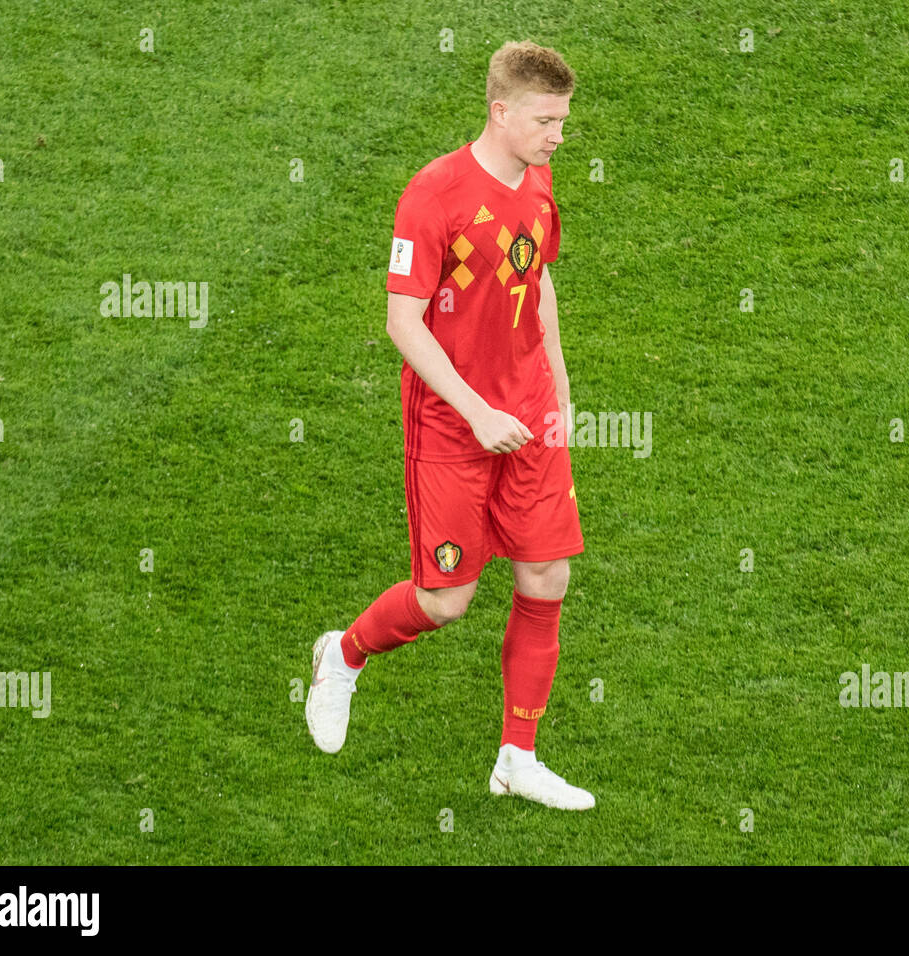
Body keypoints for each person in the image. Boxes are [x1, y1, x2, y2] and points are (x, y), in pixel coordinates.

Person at [306, 40, 593, 811]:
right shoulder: (433, 195)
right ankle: (343, 654)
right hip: (454, 424)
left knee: (548, 575)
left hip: (528, 415)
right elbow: (403, 322)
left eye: (563, 120)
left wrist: (558, 389)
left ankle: (517, 758)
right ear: (500, 112)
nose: (558, 135)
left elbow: (540, 282)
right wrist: (477, 411)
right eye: (545, 120)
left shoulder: (539, 181)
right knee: (447, 599)